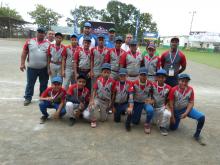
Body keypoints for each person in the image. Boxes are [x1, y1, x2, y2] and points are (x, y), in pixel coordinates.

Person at [169, 74, 206, 145]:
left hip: (186, 109)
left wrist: (186, 113)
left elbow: (191, 102)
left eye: (186, 81)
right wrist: (172, 116)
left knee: (201, 117)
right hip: (176, 111)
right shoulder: (173, 89)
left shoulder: (190, 89)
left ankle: (197, 135)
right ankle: (175, 120)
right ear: (178, 81)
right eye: (182, 81)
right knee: (173, 128)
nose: (184, 83)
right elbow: (171, 104)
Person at [20, 27, 50, 106]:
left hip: (44, 68)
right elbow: (24, 52)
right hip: (31, 68)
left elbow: (50, 56)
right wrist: (22, 64)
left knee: (44, 84)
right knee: (30, 83)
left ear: (44, 34)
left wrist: (49, 68)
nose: (40, 34)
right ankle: (28, 98)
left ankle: (42, 97)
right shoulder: (29, 41)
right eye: (39, 32)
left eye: (42, 33)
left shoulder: (48, 44)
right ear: (36, 33)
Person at [126, 67, 154, 133]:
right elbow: (131, 95)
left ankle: (147, 124)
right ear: (139, 75)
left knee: (150, 110)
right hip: (136, 102)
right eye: (141, 75)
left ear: (147, 75)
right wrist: (130, 106)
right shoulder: (134, 83)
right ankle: (133, 117)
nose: (143, 77)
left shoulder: (150, 84)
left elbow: (152, 95)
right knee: (135, 122)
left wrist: (152, 100)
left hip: (144, 102)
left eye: (145, 75)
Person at [89, 63, 116, 128]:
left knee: (103, 120)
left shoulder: (112, 81)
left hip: (106, 101)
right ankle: (93, 120)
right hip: (98, 99)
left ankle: (104, 111)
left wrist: (111, 104)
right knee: (92, 106)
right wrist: (92, 100)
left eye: (108, 72)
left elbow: (113, 94)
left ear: (110, 73)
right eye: (104, 72)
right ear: (101, 72)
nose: (106, 74)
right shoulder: (98, 80)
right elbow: (94, 90)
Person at [152, 69, 171, 136]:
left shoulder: (168, 87)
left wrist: (167, 106)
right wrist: (151, 101)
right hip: (153, 107)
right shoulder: (153, 85)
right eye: (159, 77)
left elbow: (169, 100)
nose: (161, 79)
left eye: (163, 77)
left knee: (168, 114)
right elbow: (149, 95)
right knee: (154, 123)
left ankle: (162, 127)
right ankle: (155, 119)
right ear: (156, 78)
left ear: (165, 78)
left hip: (162, 107)